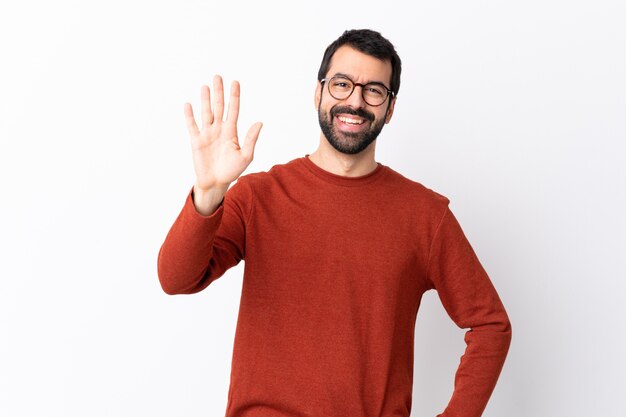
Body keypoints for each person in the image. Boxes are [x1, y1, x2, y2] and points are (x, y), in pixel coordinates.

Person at [158, 29, 512, 417]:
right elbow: (177, 279)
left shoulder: (425, 215)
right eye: (342, 84)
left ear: (390, 108)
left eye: (374, 90)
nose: (355, 101)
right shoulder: (259, 196)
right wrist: (208, 193)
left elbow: (490, 325)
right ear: (319, 93)